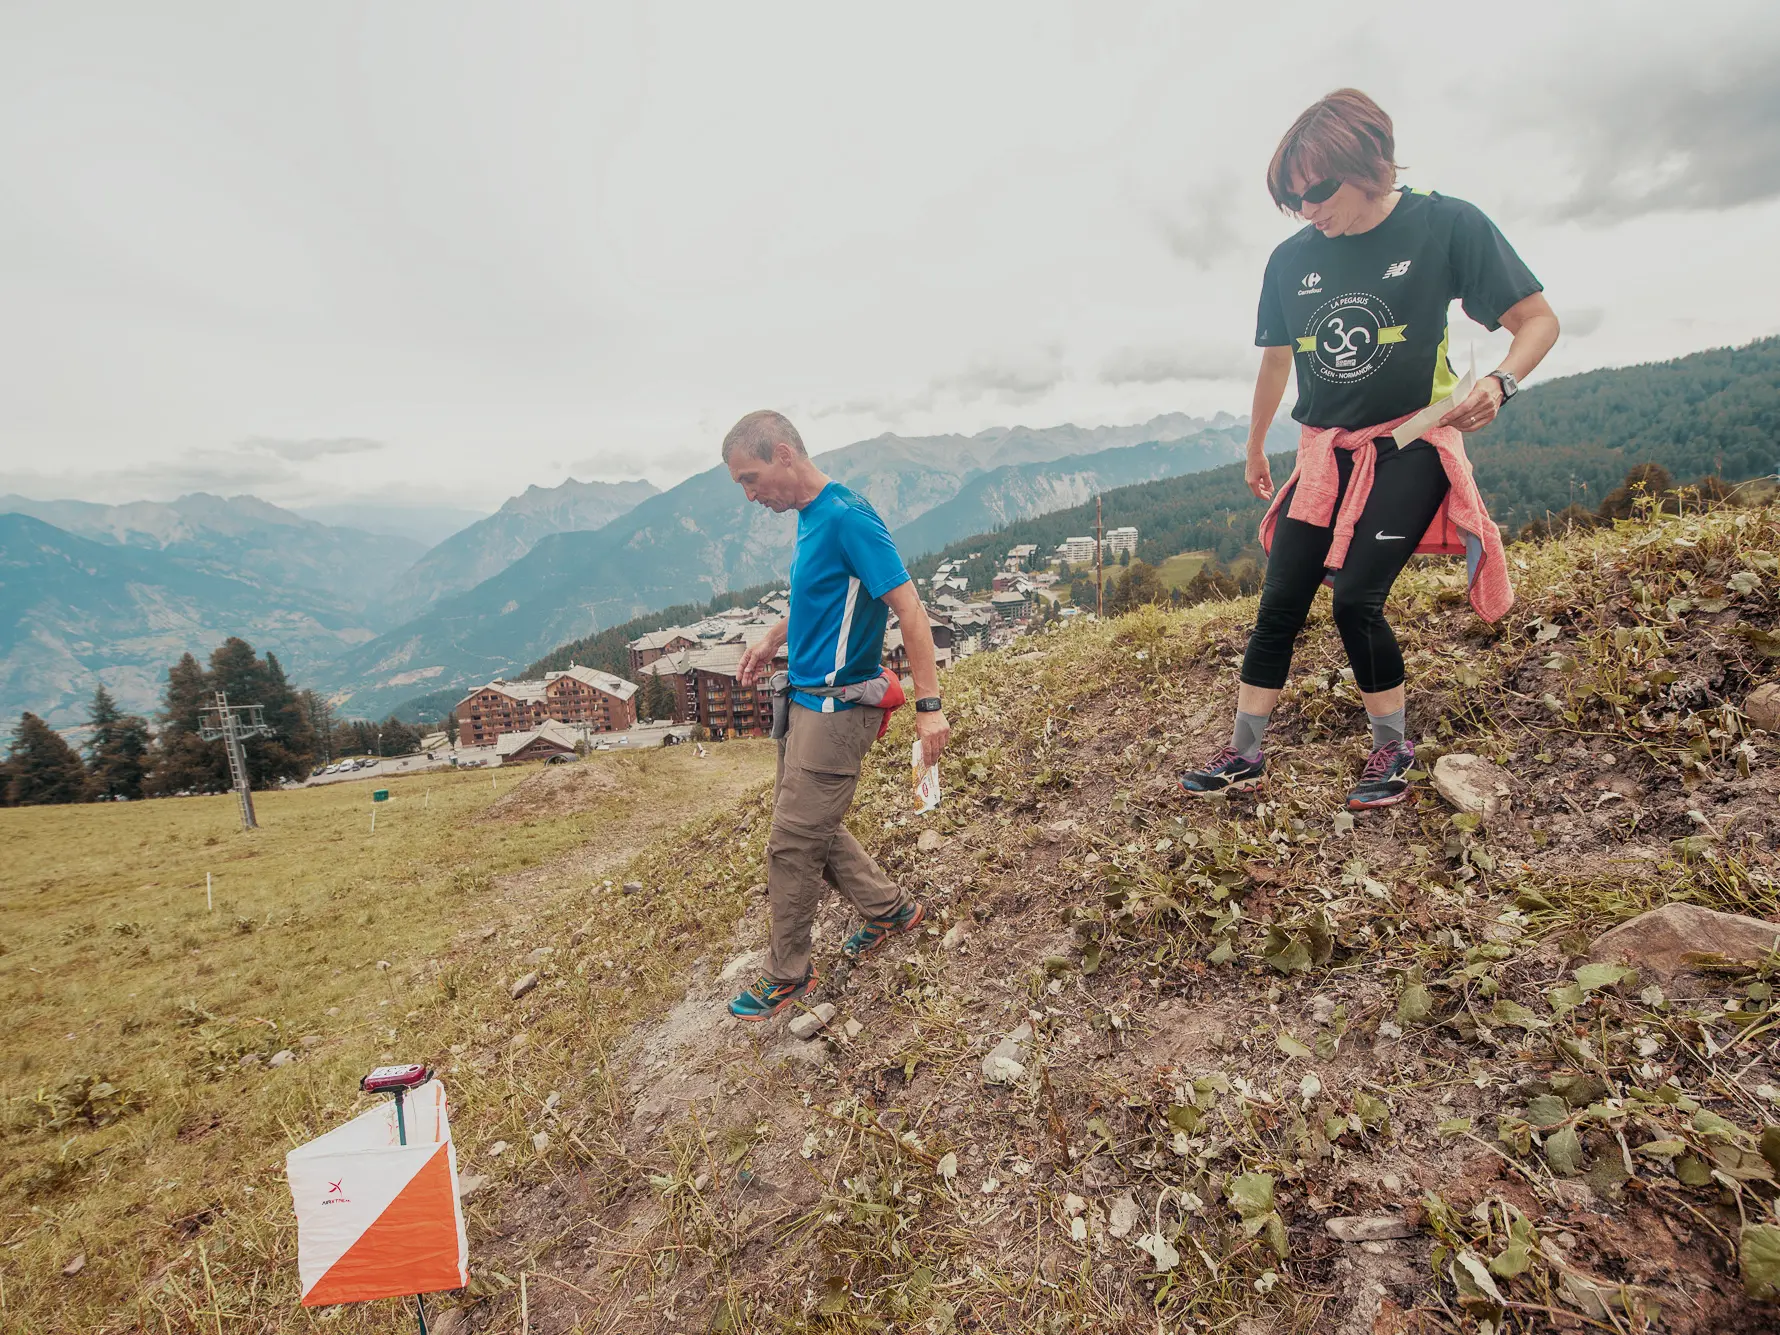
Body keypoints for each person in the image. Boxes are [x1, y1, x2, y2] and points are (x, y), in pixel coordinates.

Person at [1179, 88, 1559, 811]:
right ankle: (1245, 752)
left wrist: (1504, 383)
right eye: (1293, 198)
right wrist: (1258, 444)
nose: (1307, 208)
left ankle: (1392, 744)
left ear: (1369, 162)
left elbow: (1537, 319)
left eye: (1317, 189)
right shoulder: (1291, 260)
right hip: (1325, 451)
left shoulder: (1447, 224)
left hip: (1411, 439)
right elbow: (1275, 359)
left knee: (1356, 599)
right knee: (1280, 601)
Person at [721, 410, 951, 1020]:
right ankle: (889, 910)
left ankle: (788, 974)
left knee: (791, 845)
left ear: (782, 453)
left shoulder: (849, 518)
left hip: (836, 711)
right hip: (801, 703)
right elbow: (818, 598)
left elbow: (911, 610)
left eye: (750, 478)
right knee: (810, 826)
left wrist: (930, 709)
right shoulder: (809, 517)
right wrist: (775, 636)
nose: (749, 495)